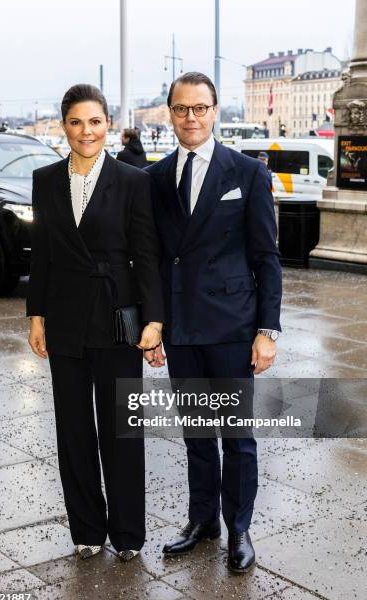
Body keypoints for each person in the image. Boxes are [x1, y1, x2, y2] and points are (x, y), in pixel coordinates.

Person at [145, 72, 282, 573]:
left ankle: (239, 528)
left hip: (231, 326)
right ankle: (202, 520)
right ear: (171, 113)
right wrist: (153, 325)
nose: (191, 118)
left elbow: (266, 257)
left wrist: (267, 331)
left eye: (200, 108)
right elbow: (154, 259)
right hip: (181, 327)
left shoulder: (247, 173)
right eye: (182, 109)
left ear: (215, 110)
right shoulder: (156, 178)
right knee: (197, 433)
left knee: (236, 435)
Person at [26, 84, 164, 563]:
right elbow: (41, 253)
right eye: (77, 122)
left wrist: (155, 321)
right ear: (64, 126)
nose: (87, 131)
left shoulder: (132, 180)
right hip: (63, 317)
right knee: (74, 429)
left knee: (121, 429)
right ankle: (86, 528)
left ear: (108, 124)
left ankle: (127, 533)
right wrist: (36, 316)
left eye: (96, 121)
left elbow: (147, 257)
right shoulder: (44, 180)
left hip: (116, 317)